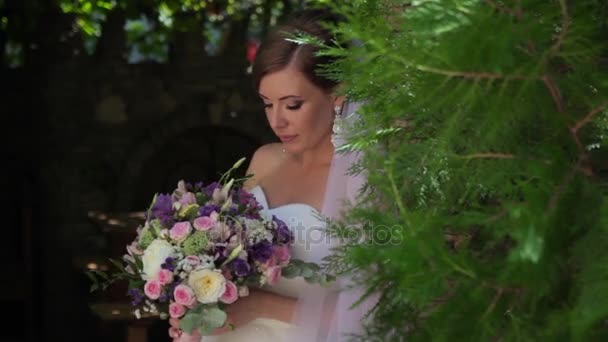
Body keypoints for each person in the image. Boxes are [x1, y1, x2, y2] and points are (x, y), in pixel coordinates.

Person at [171, 8, 374, 342]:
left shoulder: (363, 176)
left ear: (337, 96)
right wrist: (196, 311)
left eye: (293, 104)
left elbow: (377, 308)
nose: (277, 121)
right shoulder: (263, 161)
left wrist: (262, 305)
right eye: (267, 103)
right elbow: (228, 268)